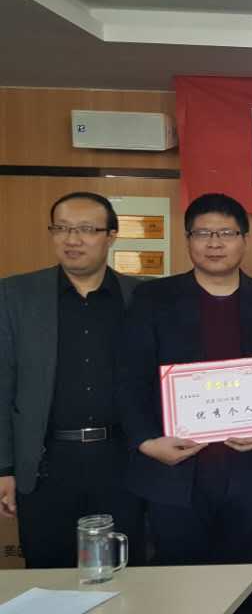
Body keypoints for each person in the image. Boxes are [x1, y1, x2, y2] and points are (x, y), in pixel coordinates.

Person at [119, 193, 252, 614]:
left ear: (244, 240)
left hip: (250, 474)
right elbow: (128, 377)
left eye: (226, 233)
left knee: (248, 591)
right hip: (176, 472)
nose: (215, 243)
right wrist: (146, 442)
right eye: (203, 233)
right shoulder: (152, 299)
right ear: (188, 239)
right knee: (179, 589)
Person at [0, 192, 144, 567]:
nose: (72, 239)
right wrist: (4, 468)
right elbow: (3, 384)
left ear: (111, 235)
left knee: (126, 575)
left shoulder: (140, 296)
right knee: (48, 575)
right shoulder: (16, 296)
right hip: (46, 463)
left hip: (122, 461)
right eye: (61, 228)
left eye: (86, 229)